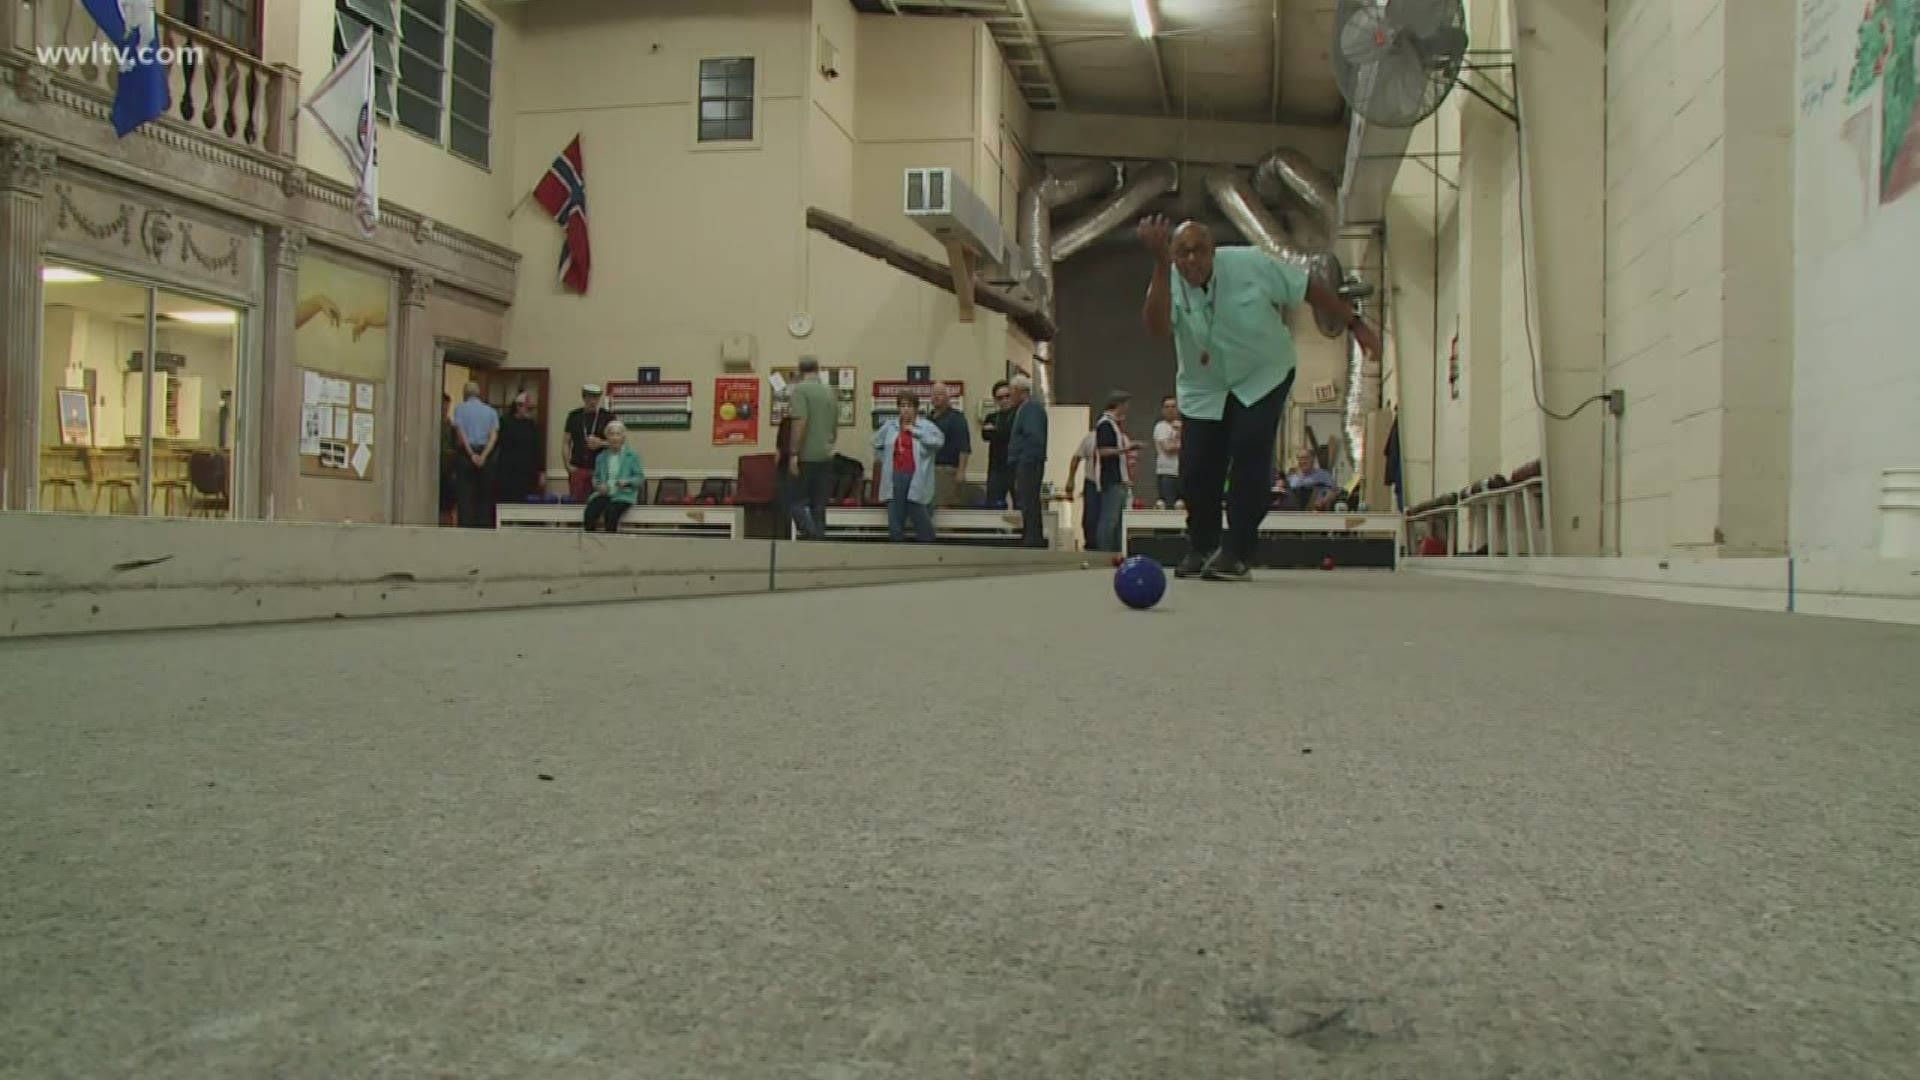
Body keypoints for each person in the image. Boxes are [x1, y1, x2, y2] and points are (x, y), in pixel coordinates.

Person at [1139, 214, 1382, 580]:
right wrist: (1159, 265)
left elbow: (1307, 288)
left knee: (1250, 454)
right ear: (1171, 256)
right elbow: (1156, 328)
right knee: (1196, 470)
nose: (1191, 260)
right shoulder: (1167, 278)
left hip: (1263, 375)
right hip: (1205, 387)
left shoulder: (1249, 264)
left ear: (1213, 251)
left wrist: (1356, 325)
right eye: (1181, 253)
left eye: (1198, 250)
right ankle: (1202, 545)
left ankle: (1237, 552)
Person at [870, 392, 944, 542]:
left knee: (918, 509)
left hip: (917, 475)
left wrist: (915, 432)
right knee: (895, 514)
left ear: (916, 408)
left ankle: (927, 545)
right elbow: (876, 442)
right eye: (902, 406)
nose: (906, 409)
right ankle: (897, 548)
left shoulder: (926, 426)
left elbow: (938, 442)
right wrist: (882, 458)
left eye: (909, 406)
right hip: (895, 474)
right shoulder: (891, 426)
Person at [787, 357, 840, 539]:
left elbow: (800, 422)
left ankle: (811, 535)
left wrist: (794, 453)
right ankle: (818, 546)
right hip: (826, 455)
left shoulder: (800, 390)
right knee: (819, 507)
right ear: (818, 369)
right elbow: (834, 426)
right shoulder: (829, 391)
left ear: (800, 370)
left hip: (807, 456)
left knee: (796, 502)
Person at [1006, 374, 1049, 548]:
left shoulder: (1031, 408)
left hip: (1029, 462)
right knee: (1027, 499)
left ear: (1019, 391)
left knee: (1029, 500)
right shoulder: (1025, 408)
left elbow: (1033, 437)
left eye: (1011, 392)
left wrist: (1023, 459)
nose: (1010, 396)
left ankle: (1032, 537)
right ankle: (1031, 535)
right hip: (1026, 461)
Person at [450, 381, 499, 528]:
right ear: (479, 394)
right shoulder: (490, 411)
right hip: (485, 453)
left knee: (465, 495)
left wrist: (471, 454)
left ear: (465, 394)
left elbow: (460, 434)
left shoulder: (460, 409)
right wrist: (483, 455)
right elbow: (493, 436)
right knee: (484, 495)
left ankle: (465, 528)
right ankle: (483, 527)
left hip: (466, 454)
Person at [583, 420, 644, 533]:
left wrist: (627, 482)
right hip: (604, 494)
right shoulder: (601, 457)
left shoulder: (632, 456)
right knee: (590, 512)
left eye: (618, 434)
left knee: (610, 513)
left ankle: (610, 545)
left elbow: (639, 477)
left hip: (623, 495)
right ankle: (590, 544)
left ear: (623, 438)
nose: (615, 438)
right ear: (607, 438)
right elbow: (595, 477)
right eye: (611, 434)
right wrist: (599, 486)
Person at [1092, 391, 1134, 552]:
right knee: (1109, 519)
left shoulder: (1115, 425)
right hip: (1111, 479)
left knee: (1118, 520)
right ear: (1119, 405)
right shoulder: (1105, 424)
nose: (1128, 408)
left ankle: (1115, 551)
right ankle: (1104, 551)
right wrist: (1125, 449)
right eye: (1126, 405)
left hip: (1119, 479)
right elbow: (1102, 451)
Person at [562, 384, 613, 504]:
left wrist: (601, 443)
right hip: (578, 468)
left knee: (599, 504)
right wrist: (568, 466)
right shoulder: (574, 416)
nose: (593, 401)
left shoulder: (607, 416)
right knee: (577, 505)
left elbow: (616, 443)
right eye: (589, 398)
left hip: (600, 470)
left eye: (596, 398)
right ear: (584, 398)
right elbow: (565, 442)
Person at [493, 391, 544, 506]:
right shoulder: (504, 422)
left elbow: (538, 449)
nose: (530, 411)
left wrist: (541, 472)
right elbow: (497, 444)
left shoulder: (532, 425)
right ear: (518, 407)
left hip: (527, 472)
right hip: (507, 471)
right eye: (528, 408)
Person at [927, 383, 972, 507]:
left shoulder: (957, 418)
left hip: (948, 471)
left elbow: (965, 447)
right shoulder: (928, 419)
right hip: (928, 471)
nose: (937, 397)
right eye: (934, 394)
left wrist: (961, 471)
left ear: (948, 397)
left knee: (944, 509)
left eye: (940, 394)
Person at [1063, 423, 1101, 552]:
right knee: (1089, 518)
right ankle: (1090, 546)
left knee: (1106, 519)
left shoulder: (1119, 437)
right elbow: (1076, 458)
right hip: (1092, 481)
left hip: (1109, 483)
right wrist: (1071, 480)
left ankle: (1105, 547)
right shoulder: (1090, 438)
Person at [978, 380, 1014, 508]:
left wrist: (996, 431)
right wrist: (1001, 432)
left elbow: (1010, 435)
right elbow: (985, 435)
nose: (1004, 400)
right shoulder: (992, 417)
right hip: (996, 468)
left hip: (1015, 468)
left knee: (1020, 505)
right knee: (993, 505)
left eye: (1007, 396)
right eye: (1000, 398)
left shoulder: (1020, 415)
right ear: (995, 400)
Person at [1152, 394, 1182, 509]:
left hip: (1182, 472)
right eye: (1167, 407)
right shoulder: (1161, 427)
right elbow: (1168, 448)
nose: (1170, 409)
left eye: (1173, 406)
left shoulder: (1183, 426)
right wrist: (1180, 438)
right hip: (1167, 473)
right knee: (1169, 507)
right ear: (1162, 410)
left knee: (1182, 507)